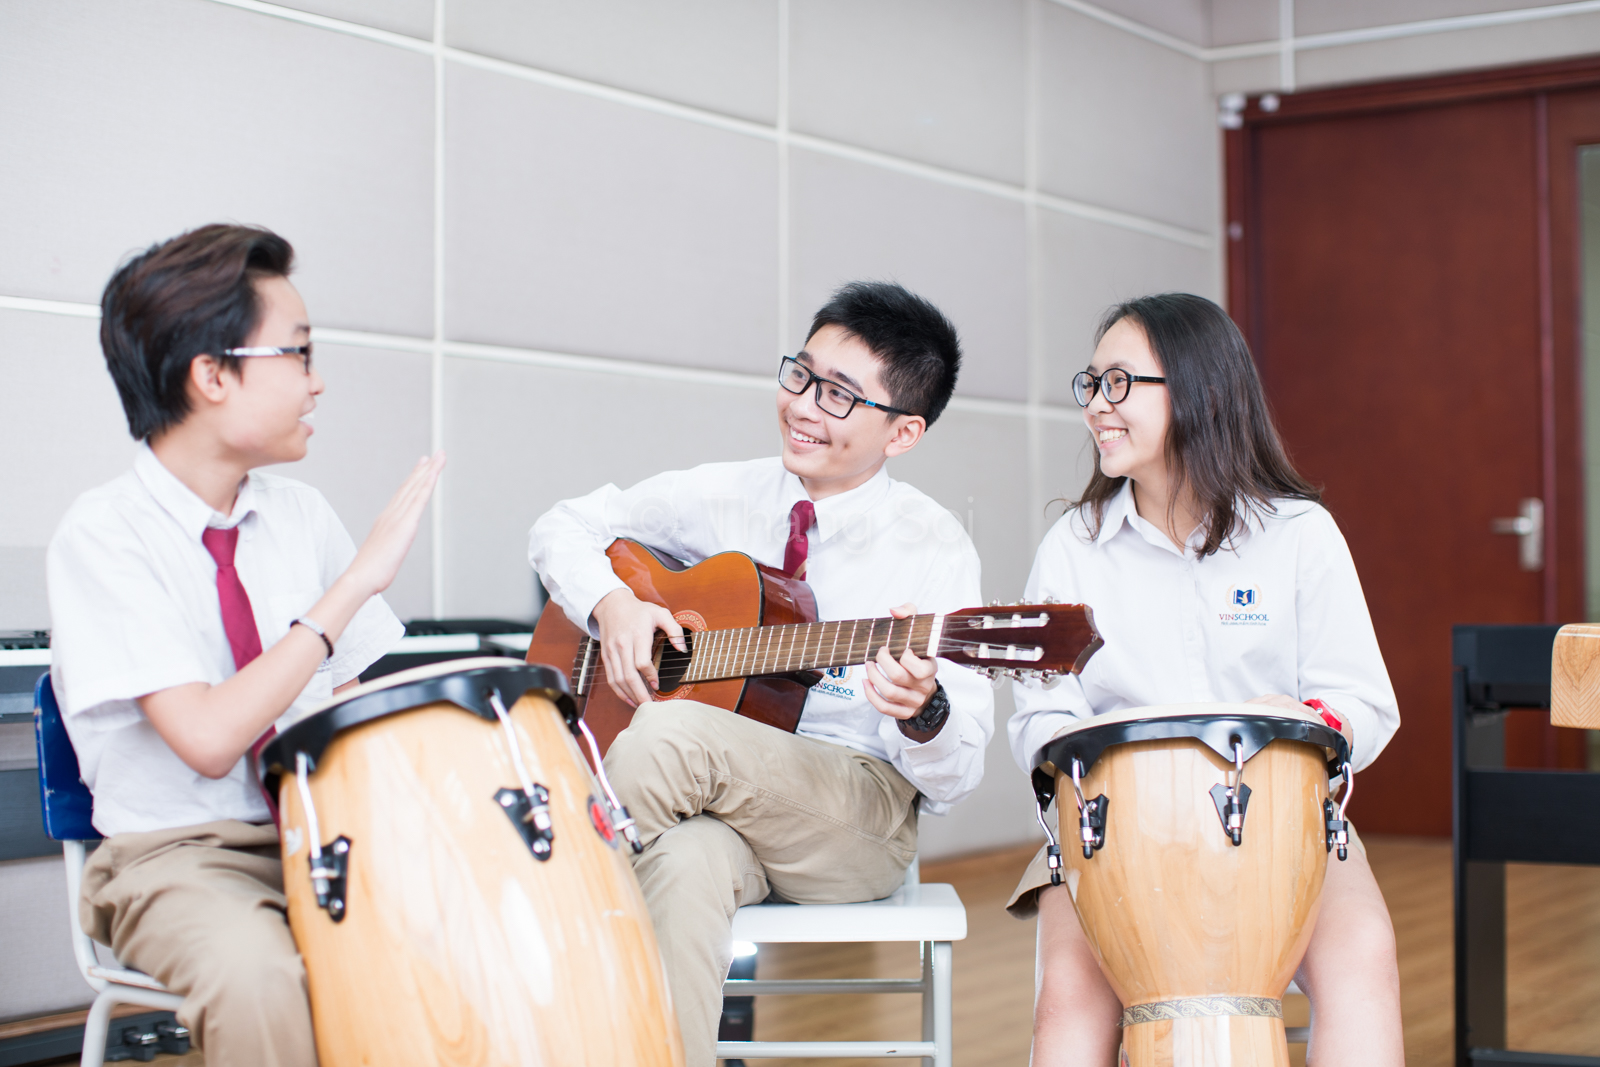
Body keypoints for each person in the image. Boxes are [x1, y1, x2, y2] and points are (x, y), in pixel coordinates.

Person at [528, 281, 995, 1065]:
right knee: (682, 865)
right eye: (801, 374)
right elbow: (563, 524)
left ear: (903, 431)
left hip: (855, 812)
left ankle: (529, 915)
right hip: (713, 807)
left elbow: (957, 777)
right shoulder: (725, 493)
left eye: (839, 394)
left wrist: (924, 708)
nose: (803, 406)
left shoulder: (933, 545)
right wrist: (614, 605)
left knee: (672, 729)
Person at [47, 224, 444, 1067]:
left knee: (470, 930)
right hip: (175, 858)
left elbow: (348, 710)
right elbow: (207, 736)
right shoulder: (103, 536)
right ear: (213, 374)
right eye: (298, 353)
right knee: (260, 978)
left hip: (323, 835)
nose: (317, 380)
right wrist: (349, 589)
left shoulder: (302, 517)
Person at [1005, 293, 1403, 1066]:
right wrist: (1102, 754)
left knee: (1365, 961)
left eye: (1120, 383)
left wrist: (1310, 717)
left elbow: (1364, 700)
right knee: (1068, 1000)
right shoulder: (1072, 548)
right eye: (1091, 384)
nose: (1096, 405)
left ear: (1201, 390)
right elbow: (1039, 718)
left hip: (1287, 820)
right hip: (1111, 828)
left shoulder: (1299, 534)